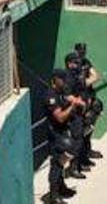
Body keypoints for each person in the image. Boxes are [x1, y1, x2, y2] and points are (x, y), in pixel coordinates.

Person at [43, 69, 80, 203]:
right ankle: (54, 195)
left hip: (62, 132)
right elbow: (59, 117)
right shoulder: (50, 96)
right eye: (62, 79)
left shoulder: (59, 94)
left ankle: (61, 187)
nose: (64, 82)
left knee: (62, 161)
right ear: (55, 79)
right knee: (57, 163)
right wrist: (72, 107)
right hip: (55, 134)